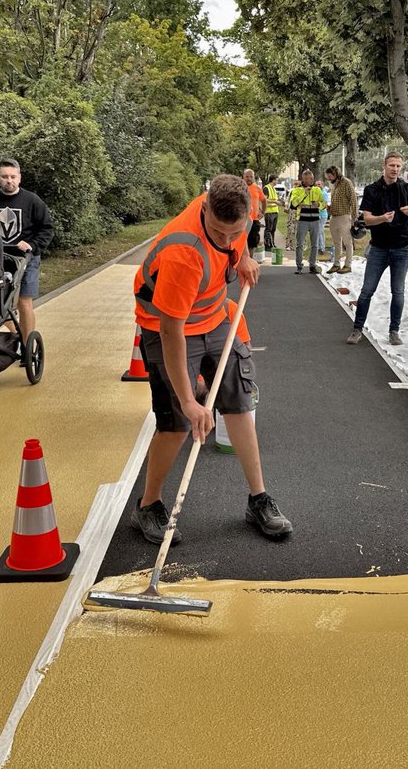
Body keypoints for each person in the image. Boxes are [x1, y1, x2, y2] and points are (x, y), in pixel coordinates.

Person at [131, 174, 293, 543]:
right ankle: (148, 505)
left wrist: (244, 258)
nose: (225, 240)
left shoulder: (239, 216)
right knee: (176, 424)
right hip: (167, 326)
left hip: (215, 315)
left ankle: (258, 499)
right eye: (218, 232)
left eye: (233, 232)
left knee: (239, 401)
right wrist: (189, 401)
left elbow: (238, 238)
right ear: (204, 209)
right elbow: (171, 331)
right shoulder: (184, 252)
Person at [0, 158, 55, 342]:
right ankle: (16, 332)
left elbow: (47, 228)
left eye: (12, 176)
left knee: (24, 302)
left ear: (19, 178)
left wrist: (32, 245)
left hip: (26, 259)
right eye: (4, 177)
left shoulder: (32, 201)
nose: (9, 180)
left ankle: (27, 345)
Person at [347, 152, 408, 346]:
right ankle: (357, 329)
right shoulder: (372, 189)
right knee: (367, 290)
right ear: (384, 166)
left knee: (398, 291)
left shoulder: (407, 188)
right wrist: (382, 218)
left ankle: (394, 331)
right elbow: (367, 219)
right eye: (392, 165)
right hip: (379, 247)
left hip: (402, 247)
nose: (395, 169)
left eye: (398, 166)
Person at [289, 170, 325, 274]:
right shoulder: (297, 190)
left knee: (315, 244)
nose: (310, 180)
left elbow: (324, 203)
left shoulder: (317, 189)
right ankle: (299, 266)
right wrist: (304, 193)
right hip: (302, 220)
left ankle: (312, 265)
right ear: (303, 179)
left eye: (311, 178)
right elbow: (294, 203)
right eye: (307, 179)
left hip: (315, 220)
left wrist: (319, 204)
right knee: (300, 244)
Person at [325, 166, 357, 273]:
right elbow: (337, 200)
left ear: (336, 174)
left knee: (347, 242)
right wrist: (329, 207)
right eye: (327, 176)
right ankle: (336, 264)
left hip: (344, 216)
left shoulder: (347, 183)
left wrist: (354, 217)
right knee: (336, 242)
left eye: (330, 176)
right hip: (334, 216)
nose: (328, 178)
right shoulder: (334, 185)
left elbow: (353, 200)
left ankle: (348, 265)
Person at [242, 169, 266, 255]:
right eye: (247, 176)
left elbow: (264, 201)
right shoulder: (239, 187)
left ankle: (249, 259)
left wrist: (263, 212)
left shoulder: (257, 188)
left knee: (252, 242)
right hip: (241, 220)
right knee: (240, 241)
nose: (249, 178)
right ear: (243, 177)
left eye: (251, 177)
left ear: (254, 177)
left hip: (254, 220)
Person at [263, 174, 280, 251]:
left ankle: (272, 244)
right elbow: (265, 199)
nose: (277, 181)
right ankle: (267, 245)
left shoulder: (273, 189)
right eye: (277, 180)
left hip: (275, 211)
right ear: (273, 180)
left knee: (273, 229)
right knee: (268, 229)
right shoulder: (266, 188)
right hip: (269, 212)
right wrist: (275, 202)